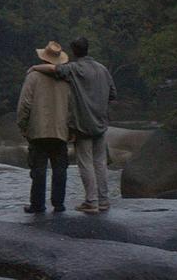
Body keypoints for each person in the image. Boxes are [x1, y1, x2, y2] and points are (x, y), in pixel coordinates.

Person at [32, 36, 115, 214]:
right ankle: (104, 200)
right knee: (100, 163)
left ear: (74, 51)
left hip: (83, 124)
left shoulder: (74, 69)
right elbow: (112, 94)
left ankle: (91, 202)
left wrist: (33, 68)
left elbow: (53, 69)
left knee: (85, 163)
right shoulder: (102, 69)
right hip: (101, 123)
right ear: (88, 49)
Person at [16, 40, 72, 213]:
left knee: (39, 169)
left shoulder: (33, 76)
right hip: (61, 130)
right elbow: (72, 106)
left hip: (38, 129)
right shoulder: (67, 79)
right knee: (60, 169)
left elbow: (25, 104)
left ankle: (37, 204)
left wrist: (22, 125)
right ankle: (59, 203)